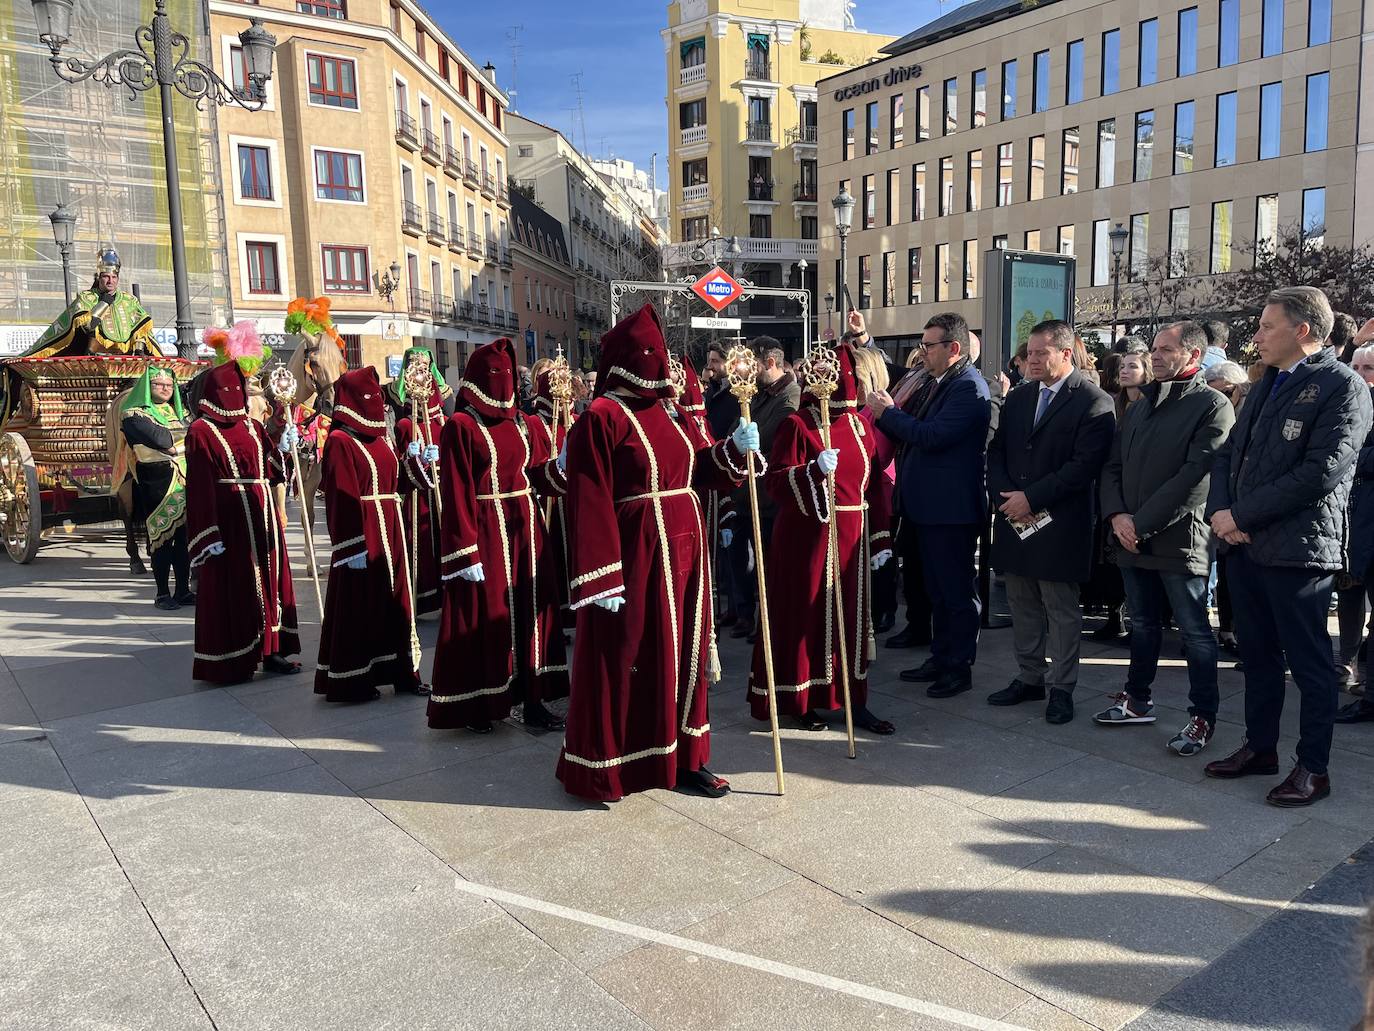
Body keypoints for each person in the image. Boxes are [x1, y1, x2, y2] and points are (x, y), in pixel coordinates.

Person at [556, 304, 758, 801]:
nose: (658, 361)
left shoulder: (670, 413)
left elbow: (697, 468)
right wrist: (600, 574)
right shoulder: (601, 417)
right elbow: (589, 499)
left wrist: (735, 449)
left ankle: (686, 756)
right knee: (632, 654)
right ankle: (615, 764)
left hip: (686, 551)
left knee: (685, 653)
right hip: (635, 555)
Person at [1206, 287, 1374, 805]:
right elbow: (1227, 455)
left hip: (1299, 550)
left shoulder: (1344, 386)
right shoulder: (1266, 383)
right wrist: (1222, 514)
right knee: (1257, 656)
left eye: (1266, 326)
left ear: (1302, 330)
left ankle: (1313, 768)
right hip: (1244, 545)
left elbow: (1321, 471)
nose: (1256, 336)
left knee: (1309, 664)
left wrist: (1240, 515)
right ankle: (1260, 749)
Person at [1096, 321, 1234, 755]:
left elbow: (1196, 477)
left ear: (1193, 356)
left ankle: (1203, 716)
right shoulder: (1141, 404)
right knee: (1142, 623)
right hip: (1132, 537)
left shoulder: (1212, 406)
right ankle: (1137, 699)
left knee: (1195, 633)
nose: (1155, 356)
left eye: (1166, 349)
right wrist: (1117, 515)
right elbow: (1112, 465)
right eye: (1154, 348)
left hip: (1180, 541)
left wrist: (1140, 523)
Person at [748, 344, 894, 735]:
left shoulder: (860, 426)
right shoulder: (798, 425)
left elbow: (874, 485)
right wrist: (811, 471)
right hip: (808, 537)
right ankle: (801, 698)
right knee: (807, 617)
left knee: (851, 620)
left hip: (852, 536)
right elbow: (776, 482)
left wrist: (880, 539)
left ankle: (853, 699)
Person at [428, 338, 569, 734]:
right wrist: (463, 551)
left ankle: (534, 698)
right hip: (487, 530)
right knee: (489, 616)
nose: (503, 380)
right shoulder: (461, 426)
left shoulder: (523, 423)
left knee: (529, 611)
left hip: (525, 525)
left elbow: (535, 474)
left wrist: (562, 466)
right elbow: (456, 491)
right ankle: (483, 701)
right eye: (495, 374)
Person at [986, 321, 1115, 723]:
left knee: (1060, 611)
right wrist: (1007, 497)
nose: (1033, 360)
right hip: (1015, 519)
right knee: (1021, 602)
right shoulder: (1020, 397)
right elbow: (997, 452)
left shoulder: (1093, 401)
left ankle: (1062, 687)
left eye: (1042, 353)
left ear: (1065, 353)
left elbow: (1082, 468)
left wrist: (1031, 498)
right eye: (1030, 353)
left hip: (1060, 524)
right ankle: (1030, 677)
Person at [868, 312, 993, 698]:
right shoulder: (939, 381)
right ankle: (941, 657)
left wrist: (887, 414)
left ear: (953, 348)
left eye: (928, 345)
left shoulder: (968, 388)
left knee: (956, 593)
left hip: (950, 511)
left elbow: (932, 436)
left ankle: (958, 667)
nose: (922, 352)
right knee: (936, 591)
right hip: (927, 507)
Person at [185, 341, 302, 684]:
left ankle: (272, 649)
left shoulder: (253, 426)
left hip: (260, 509)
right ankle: (234, 656)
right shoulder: (201, 430)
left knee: (270, 581)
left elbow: (270, 467)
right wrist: (207, 532)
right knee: (236, 584)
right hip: (229, 517)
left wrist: (284, 445)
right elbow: (200, 485)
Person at [315, 367, 426, 702]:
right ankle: (355, 678)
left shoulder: (381, 439)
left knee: (395, 600)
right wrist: (350, 546)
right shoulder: (340, 441)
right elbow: (340, 496)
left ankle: (402, 671)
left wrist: (417, 464)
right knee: (360, 603)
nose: (377, 400)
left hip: (391, 528)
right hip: (363, 532)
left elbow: (397, 482)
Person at [118, 365, 193, 609]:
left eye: (170, 385)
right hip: (157, 483)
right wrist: (181, 440)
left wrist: (174, 445)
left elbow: (180, 440)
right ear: (146, 387)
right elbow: (162, 439)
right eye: (159, 384)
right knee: (161, 540)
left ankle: (182, 590)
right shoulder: (133, 415)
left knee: (184, 540)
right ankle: (162, 594)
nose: (165, 388)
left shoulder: (179, 412)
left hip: (185, 481)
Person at [389, 346, 450, 616]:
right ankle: (423, 599)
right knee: (421, 546)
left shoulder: (447, 423)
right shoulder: (406, 425)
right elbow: (400, 473)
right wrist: (414, 460)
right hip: (418, 496)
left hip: (444, 492)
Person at [24, 245, 157, 358]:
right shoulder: (87, 297)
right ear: (99, 278)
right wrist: (103, 304)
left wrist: (139, 350)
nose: (110, 281)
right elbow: (86, 326)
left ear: (118, 278)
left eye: (114, 277)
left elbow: (141, 330)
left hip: (126, 358)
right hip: (95, 357)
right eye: (106, 277)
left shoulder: (129, 300)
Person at [853, 346, 898, 634]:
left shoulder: (880, 408)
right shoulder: (851, 409)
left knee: (880, 555)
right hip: (855, 493)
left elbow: (880, 453)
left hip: (879, 492)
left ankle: (884, 609)